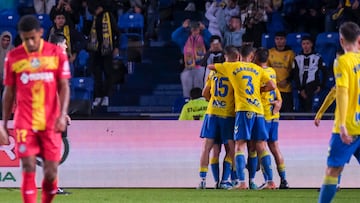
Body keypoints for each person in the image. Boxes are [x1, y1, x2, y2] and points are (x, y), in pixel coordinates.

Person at [1, 15, 70, 203]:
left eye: (33, 37)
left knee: (50, 172)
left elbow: (64, 86)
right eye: (25, 39)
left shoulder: (56, 54)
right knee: (28, 166)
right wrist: (4, 124)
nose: (30, 42)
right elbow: (9, 91)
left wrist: (63, 114)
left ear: (40, 33)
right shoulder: (13, 57)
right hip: (25, 121)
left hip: (50, 122)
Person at [208, 45, 276, 189]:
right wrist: (260, 89)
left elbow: (210, 66)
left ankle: (242, 183)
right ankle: (270, 181)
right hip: (259, 110)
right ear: (252, 57)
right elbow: (272, 85)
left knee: (239, 145)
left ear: (239, 56)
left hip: (243, 110)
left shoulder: (233, 66)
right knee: (261, 145)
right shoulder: (258, 69)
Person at [318, 22, 360, 203]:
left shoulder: (341, 61)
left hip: (348, 126)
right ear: (359, 39)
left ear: (341, 40)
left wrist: (342, 124)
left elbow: (341, 93)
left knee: (332, 170)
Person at [197, 49, 235, 189]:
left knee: (209, 148)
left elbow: (205, 93)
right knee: (230, 149)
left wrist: (214, 101)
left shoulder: (213, 73)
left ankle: (203, 180)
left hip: (212, 113)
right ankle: (225, 181)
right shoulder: (233, 74)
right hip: (227, 114)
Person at [255, 47, 289, 189]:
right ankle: (284, 180)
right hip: (274, 113)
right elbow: (276, 90)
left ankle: (269, 181)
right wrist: (279, 102)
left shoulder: (257, 72)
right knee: (275, 147)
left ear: (255, 57)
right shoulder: (272, 71)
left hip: (263, 113)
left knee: (261, 146)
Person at [86, 1, 120, 107]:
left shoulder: (108, 16)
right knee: (97, 74)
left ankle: (106, 96)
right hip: (95, 50)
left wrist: (116, 47)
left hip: (107, 48)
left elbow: (116, 32)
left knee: (108, 72)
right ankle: (98, 96)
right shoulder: (93, 18)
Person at [171, 19, 212, 99]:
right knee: (187, 90)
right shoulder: (184, 40)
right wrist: (182, 27)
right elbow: (174, 37)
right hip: (187, 67)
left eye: (196, 28)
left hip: (200, 66)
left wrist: (204, 29)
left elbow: (211, 40)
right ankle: (187, 102)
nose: (195, 31)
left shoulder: (203, 38)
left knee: (200, 88)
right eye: (193, 29)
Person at [293, 36, 327, 112]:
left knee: (310, 108)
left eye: (307, 43)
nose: (305, 46)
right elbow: (295, 74)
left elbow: (325, 72)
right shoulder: (297, 58)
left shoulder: (317, 57)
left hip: (313, 86)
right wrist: (300, 89)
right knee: (300, 109)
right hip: (301, 86)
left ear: (311, 44)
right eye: (303, 44)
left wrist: (321, 86)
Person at [268, 31, 295, 113]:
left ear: (285, 40)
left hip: (286, 88)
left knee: (287, 114)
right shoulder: (270, 52)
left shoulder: (290, 53)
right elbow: (266, 69)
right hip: (272, 88)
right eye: (277, 39)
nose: (279, 41)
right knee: (273, 113)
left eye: (281, 39)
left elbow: (294, 70)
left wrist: (287, 80)